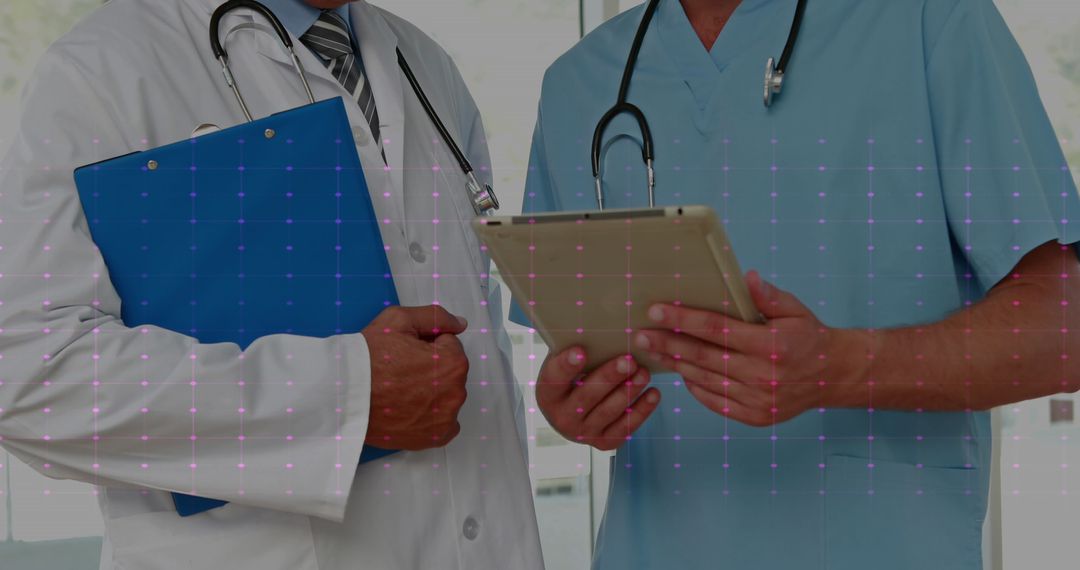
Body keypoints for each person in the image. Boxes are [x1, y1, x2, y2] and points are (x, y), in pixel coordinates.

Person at [523, 0, 1080, 568]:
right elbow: (581, 355)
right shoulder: (578, 83)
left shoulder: (932, 20)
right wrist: (576, 404)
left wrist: (840, 368)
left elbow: (1063, 329)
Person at [0, 0, 543, 568]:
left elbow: (473, 327)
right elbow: (30, 376)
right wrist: (344, 396)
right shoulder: (102, 70)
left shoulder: (425, 65)